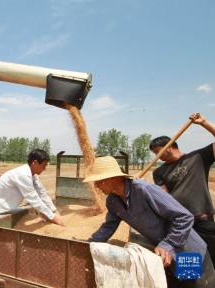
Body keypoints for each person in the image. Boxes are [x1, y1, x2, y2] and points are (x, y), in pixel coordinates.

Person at [84, 156, 215, 287]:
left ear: (112, 178)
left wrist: (168, 245)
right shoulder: (113, 201)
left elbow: (184, 217)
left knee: (195, 285)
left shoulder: (143, 190)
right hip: (164, 259)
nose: (96, 185)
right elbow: (108, 227)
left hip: (186, 252)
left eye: (99, 181)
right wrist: (86, 245)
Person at [149, 112, 215, 265]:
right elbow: (163, 196)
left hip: (202, 219)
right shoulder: (158, 172)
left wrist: (204, 123)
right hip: (180, 223)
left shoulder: (198, 157)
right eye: (154, 154)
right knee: (190, 263)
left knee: (211, 258)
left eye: (157, 151)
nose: (156, 156)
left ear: (170, 147)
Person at [0, 149, 65, 227]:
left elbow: (42, 194)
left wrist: (54, 211)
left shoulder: (33, 175)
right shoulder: (23, 175)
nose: (44, 169)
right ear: (35, 163)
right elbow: (34, 199)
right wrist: (53, 218)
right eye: (43, 166)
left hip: (4, 210)